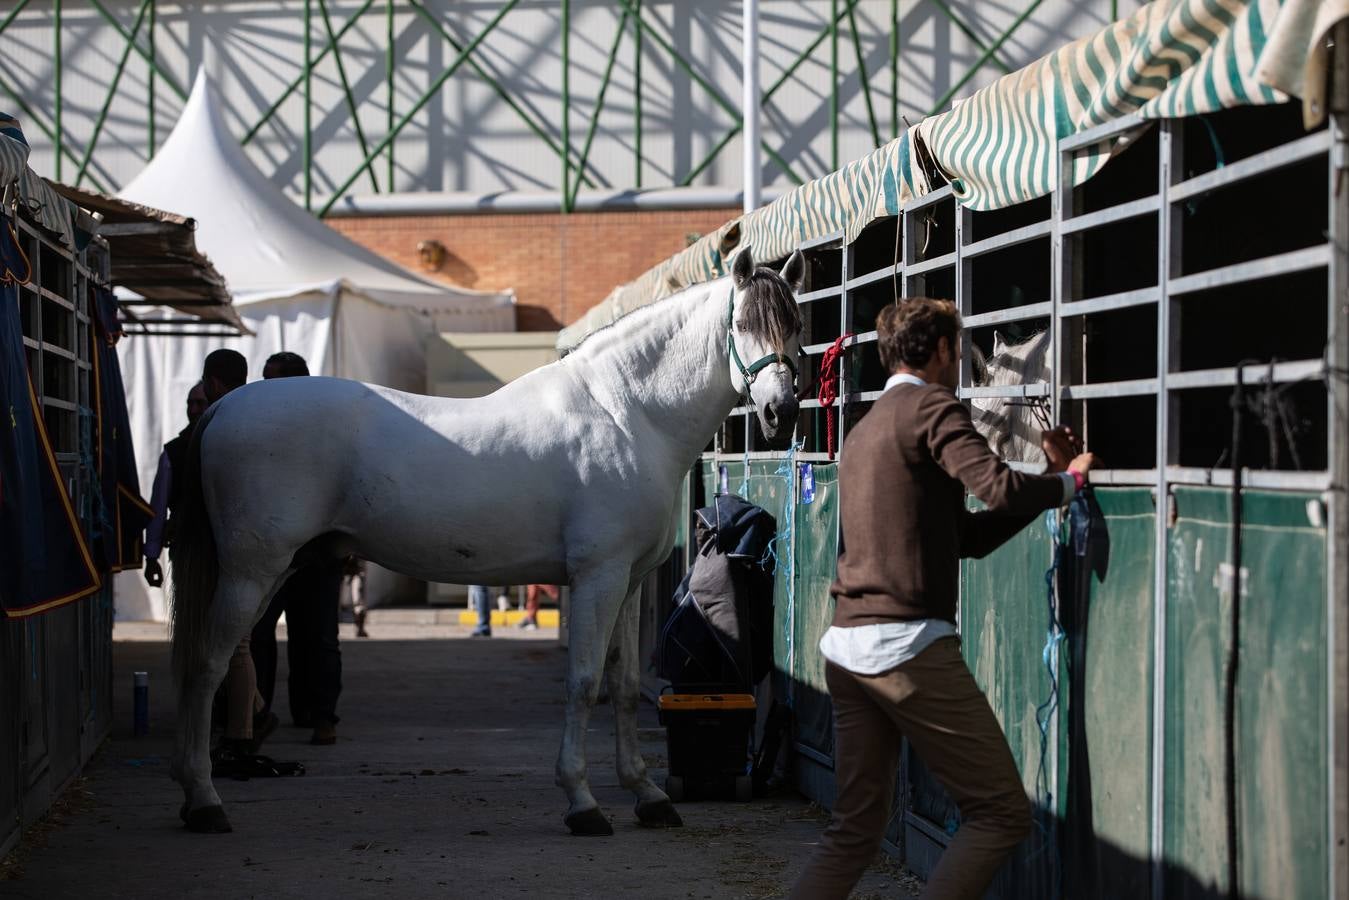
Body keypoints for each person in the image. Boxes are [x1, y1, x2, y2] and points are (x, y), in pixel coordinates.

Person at [788, 298, 1096, 900]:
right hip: (905, 646)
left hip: (846, 650)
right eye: (959, 347)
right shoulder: (934, 407)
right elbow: (1000, 487)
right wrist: (1070, 482)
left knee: (854, 831)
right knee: (1000, 811)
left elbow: (969, 539)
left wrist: (1044, 495)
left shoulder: (866, 429)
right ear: (941, 350)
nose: (963, 361)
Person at [248, 351, 346, 746]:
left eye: (274, 381)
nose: (268, 389)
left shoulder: (323, 430)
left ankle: (320, 716)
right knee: (260, 637)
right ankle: (259, 712)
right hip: (275, 550)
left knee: (317, 638)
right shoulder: (260, 428)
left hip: (315, 552)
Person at [190, 350, 272, 765]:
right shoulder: (262, 427)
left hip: (233, 557)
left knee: (233, 645)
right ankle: (255, 712)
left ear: (215, 385)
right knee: (240, 643)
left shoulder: (222, 431)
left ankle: (241, 731)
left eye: (200, 397)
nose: (197, 406)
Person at [142, 382, 208, 588]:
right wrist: (152, 557)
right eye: (190, 403)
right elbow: (158, 506)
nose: (193, 410)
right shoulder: (174, 451)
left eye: (200, 403)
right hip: (187, 549)